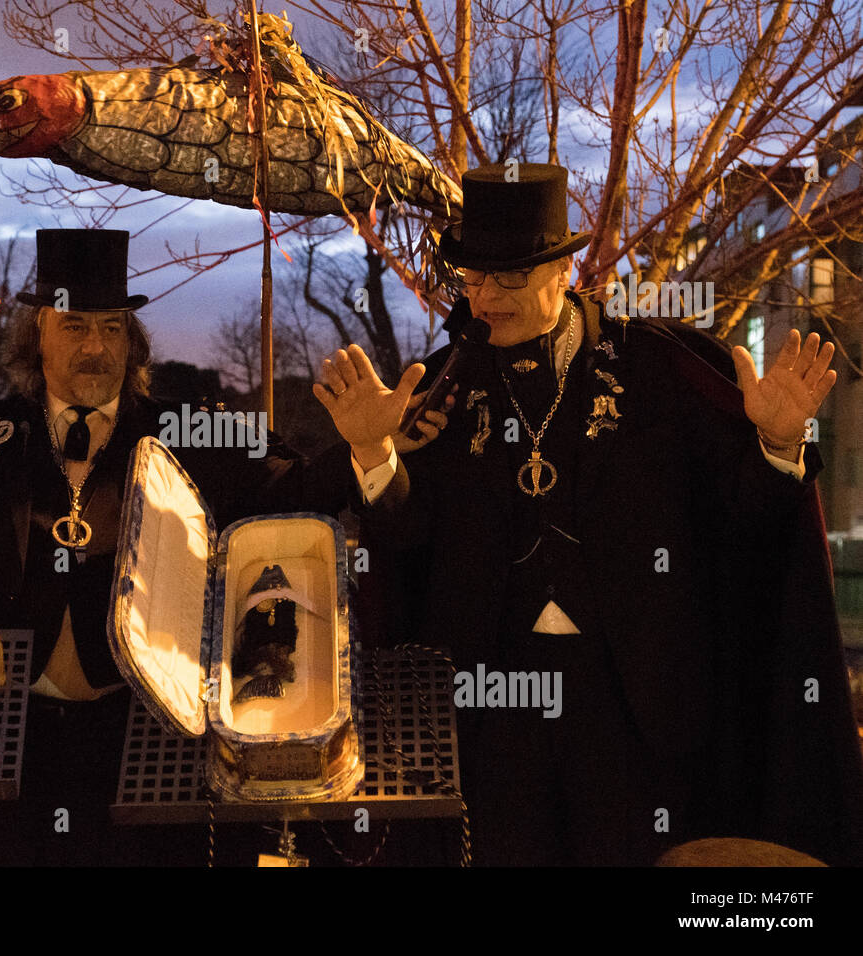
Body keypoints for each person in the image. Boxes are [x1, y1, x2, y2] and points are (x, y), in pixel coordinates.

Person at [315, 163, 863, 866]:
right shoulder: (443, 387)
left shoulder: (661, 371)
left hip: (640, 717)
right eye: (472, 279)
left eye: (508, 277)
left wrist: (779, 444)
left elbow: (742, 532)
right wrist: (371, 453)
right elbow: (408, 547)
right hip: (493, 721)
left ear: (563, 268)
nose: (485, 298)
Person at [0, 228, 351, 865]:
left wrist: (367, 448)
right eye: (74, 326)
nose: (96, 347)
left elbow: (299, 491)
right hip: (10, 742)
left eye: (113, 328)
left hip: (145, 740)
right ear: (36, 331)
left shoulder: (193, 431)